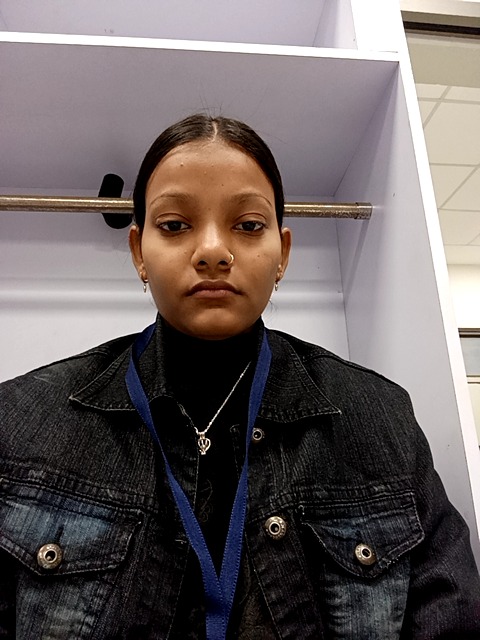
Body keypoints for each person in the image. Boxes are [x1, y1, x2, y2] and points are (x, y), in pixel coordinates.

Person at [0, 114, 479, 639]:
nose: (212, 251)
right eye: (175, 225)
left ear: (283, 254)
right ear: (139, 252)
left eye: (248, 226)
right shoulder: (23, 423)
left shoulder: (378, 418)